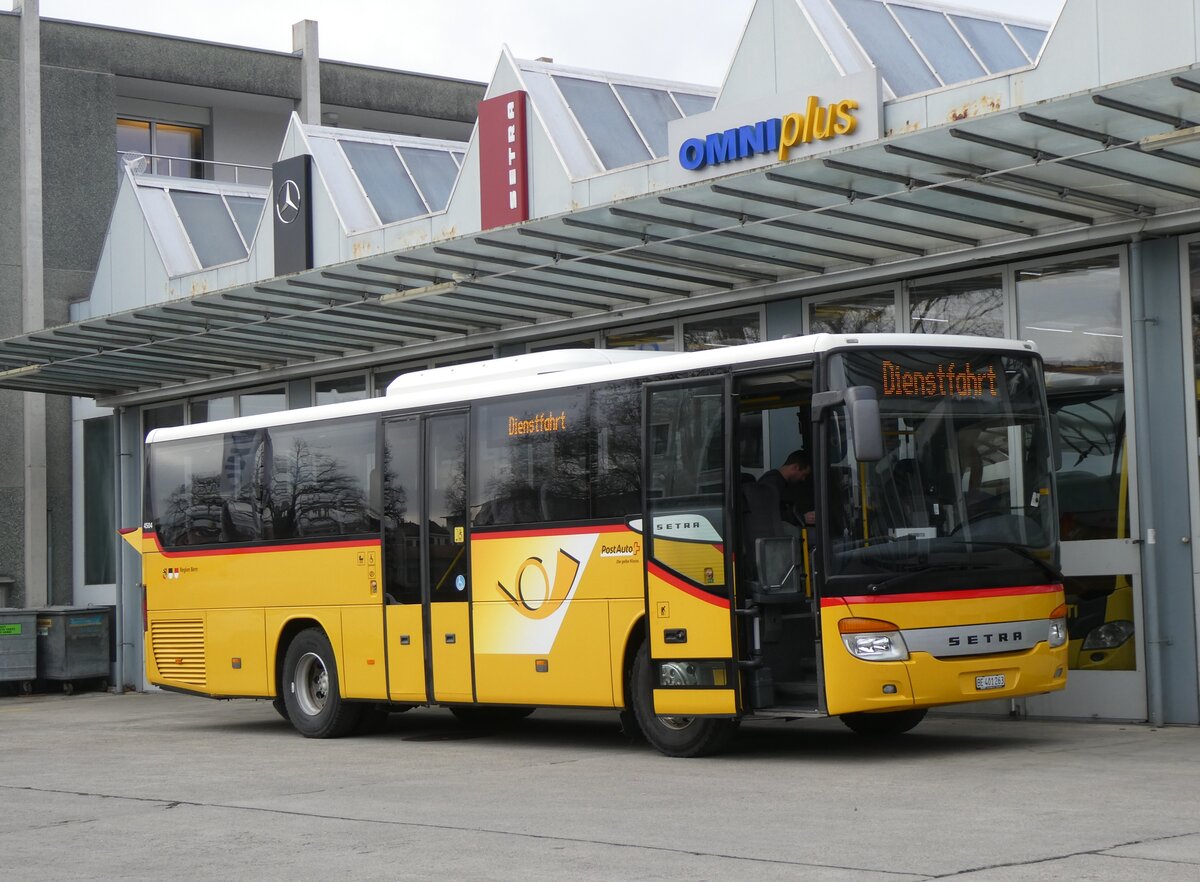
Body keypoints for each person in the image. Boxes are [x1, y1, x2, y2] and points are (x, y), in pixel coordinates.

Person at [759, 450, 815, 526]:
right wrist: (802, 518)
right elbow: (769, 515)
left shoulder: (782, 483)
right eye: (803, 474)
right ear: (795, 467)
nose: (803, 479)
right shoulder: (771, 484)